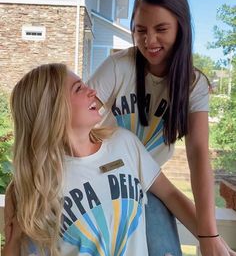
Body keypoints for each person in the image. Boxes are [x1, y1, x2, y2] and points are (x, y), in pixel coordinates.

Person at [2, 64, 234, 256]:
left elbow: (171, 195)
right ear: (52, 108)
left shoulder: (124, 144)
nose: (91, 91)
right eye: (78, 88)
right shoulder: (32, 186)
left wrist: (212, 240)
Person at [87, 0, 232, 256]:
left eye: (161, 29)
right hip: (98, 179)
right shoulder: (120, 66)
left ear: (181, 27)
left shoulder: (193, 85)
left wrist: (210, 235)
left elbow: (199, 154)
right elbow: (71, 118)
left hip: (148, 186)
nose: (149, 40)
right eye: (140, 30)